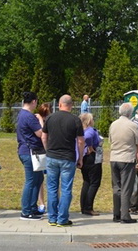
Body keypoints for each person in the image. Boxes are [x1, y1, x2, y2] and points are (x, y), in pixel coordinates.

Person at [41, 94, 84, 227]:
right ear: (71, 106)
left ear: (59, 104)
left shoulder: (50, 118)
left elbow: (43, 137)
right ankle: (62, 218)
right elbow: (81, 141)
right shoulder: (75, 120)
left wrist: (48, 150)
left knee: (52, 188)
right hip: (68, 157)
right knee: (66, 189)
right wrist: (80, 157)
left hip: (52, 156)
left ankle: (52, 218)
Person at [108, 103, 138, 223]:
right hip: (127, 158)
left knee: (116, 187)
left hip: (114, 158)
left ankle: (116, 214)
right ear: (130, 113)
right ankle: (125, 215)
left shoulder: (113, 125)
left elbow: (110, 140)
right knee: (126, 188)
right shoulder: (133, 126)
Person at [16, 92, 45, 221]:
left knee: (38, 179)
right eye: (36, 102)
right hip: (30, 152)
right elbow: (41, 133)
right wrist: (40, 120)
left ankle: (32, 208)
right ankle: (26, 211)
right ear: (33, 101)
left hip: (28, 151)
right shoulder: (29, 116)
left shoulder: (22, 114)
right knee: (31, 181)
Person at [80, 113, 102, 216]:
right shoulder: (90, 131)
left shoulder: (82, 130)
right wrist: (90, 147)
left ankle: (84, 206)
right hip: (92, 157)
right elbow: (88, 138)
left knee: (87, 181)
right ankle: (88, 207)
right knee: (94, 182)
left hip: (84, 158)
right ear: (89, 121)